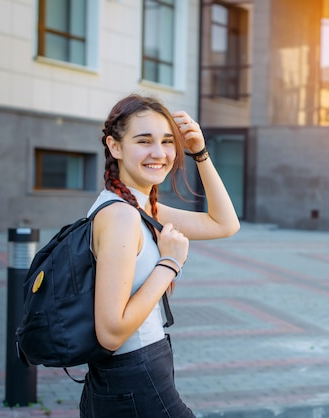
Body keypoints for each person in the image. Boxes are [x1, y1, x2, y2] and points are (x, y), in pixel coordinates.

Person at [79, 93, 240, 417]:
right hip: (136, 383)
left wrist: (200, 153)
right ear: (115, 147)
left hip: (130, 380)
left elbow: (225, 223)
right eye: (144, 141)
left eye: (167, 141)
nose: (160, 153)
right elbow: (110, 333)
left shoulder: (135, 207)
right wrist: (170, 263)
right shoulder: (121, 216)